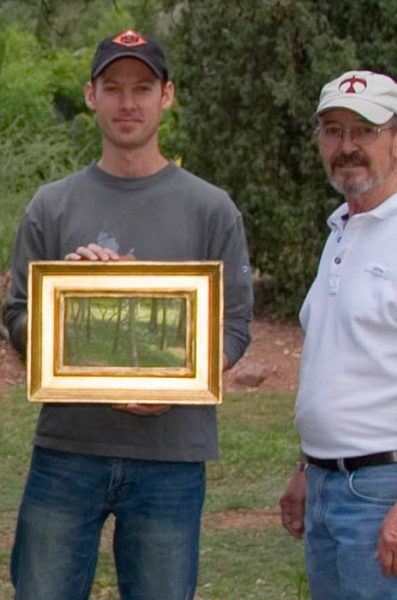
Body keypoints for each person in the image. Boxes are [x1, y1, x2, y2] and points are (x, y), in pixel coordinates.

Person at [5, 29, 253, 600]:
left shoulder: (211, 208)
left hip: (171, 458)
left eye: (142, 88)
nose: (127, 103)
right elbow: (16, 316)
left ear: (167, 95)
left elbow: (234, 327)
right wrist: (65, 304)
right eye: (113, 88)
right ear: (91, 95)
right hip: (67, 451)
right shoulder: (52, 205)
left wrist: (180, 385)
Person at [280, 70, 397, 600]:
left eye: (365, 131)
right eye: (333, 131)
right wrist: (310, 468)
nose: (347, 146)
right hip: (334, 487)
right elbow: (344, 365)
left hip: (388, 491)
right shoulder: (344, 227)